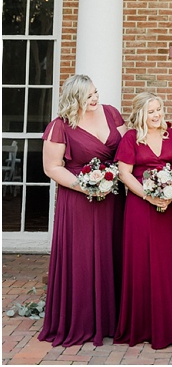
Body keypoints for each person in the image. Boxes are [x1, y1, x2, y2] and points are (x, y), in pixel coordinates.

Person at [39, 75, 126, 347]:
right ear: (74, 98)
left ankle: (112, 320)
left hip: (113, 198)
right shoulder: (61, 126)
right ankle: (83, 320)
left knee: (112, 253)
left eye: (96, 92)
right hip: (79, 201)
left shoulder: (111, 114)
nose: (95, 99)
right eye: (88, 96)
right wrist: (85, 186)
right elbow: (52, 167)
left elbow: (127, 150)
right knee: (83, 257)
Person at [114, 91, 172, 349]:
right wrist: (149, 196)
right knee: (140, 263)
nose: (157, 115)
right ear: (141, 113)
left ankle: (166, 326)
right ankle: (139, 325)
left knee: (166, 264)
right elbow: (125, 174)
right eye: (151, 111)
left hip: (168, 206)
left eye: (159, 110)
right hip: (140, 207)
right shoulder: (131, 138)